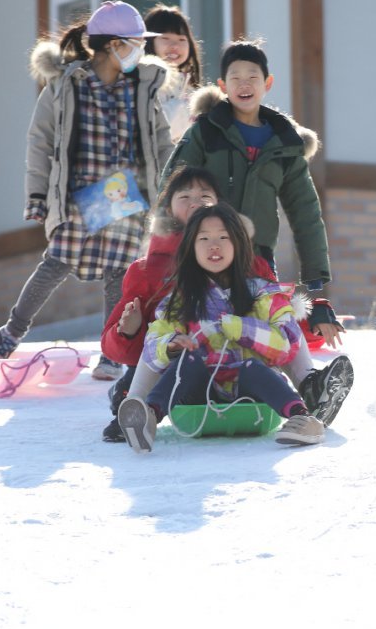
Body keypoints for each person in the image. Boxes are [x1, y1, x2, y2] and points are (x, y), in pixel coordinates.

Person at [0, 0, 173, 383]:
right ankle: (10, 334)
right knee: (56, 263)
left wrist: (170, 187)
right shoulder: (66, 85)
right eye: (136, 42)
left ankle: (111, 351)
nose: (142, 50)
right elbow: (40, 141)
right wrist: (37, 197)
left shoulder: (142, 87)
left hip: (127, 195)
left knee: (119, 274)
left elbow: (161, 141)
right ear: (114, 45)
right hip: (79, 195)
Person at [161, 38, 354, 418]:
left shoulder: (284, 142)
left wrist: (315, 275)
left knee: (276, 319)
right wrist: (170, 243)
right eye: (235, 77)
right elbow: (174, 185)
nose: (244, 83)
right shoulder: (206, 132)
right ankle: (147, 391)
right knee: (183, 319)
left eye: (253, 76)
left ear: (268, 83)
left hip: (256, 253)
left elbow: (304, 209)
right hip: (205, 248)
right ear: (222, 85)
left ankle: (309, 386)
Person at [99, 165, 351, 442]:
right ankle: (141, 414)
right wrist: (149, 337)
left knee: (257, 368)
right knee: (184, 361)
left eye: (205, 196)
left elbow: (282, 329)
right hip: (179, 377)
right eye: (185, 196)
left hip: (245, 376)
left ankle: (304, 409)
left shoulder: (256, 278)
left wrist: (311, 314)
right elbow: (149, 338)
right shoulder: (158, 278)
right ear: (169, 209)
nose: (213, 246)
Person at [117, 204, 325, 452]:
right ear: (192, 248)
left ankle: (303, 418)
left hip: (250, 395)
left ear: (238, 244)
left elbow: (288, 343)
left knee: (252, 368)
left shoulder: (263, 292)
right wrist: (170, 345)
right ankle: (149, 416)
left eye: (223, 237)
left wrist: (241, 328)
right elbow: (154, 340)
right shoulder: (181, 299)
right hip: (198, 397)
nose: (213, 245)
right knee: (189, 359)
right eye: (203, 238)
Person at [143, 4, 203, 142]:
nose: (175, 46)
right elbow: (158, 130)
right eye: (166, 38)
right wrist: (185, 109)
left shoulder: (191, 89)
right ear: (148, 42)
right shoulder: (146, 84)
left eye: (182, 40)